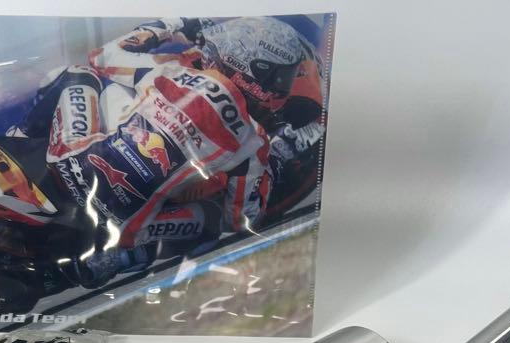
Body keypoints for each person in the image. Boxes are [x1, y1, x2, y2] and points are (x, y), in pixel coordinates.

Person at [20, 16, 322, 288]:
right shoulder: (254, 142)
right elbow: (241, 218)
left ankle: (17, 142)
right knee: (211, 218)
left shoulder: (170, 70)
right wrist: (268, 172)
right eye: (283, 77)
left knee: (77, 74)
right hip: (123, 226)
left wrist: (170, 25)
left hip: (69, 166)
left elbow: (101, 57)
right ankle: (118, 257)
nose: (282, 87)